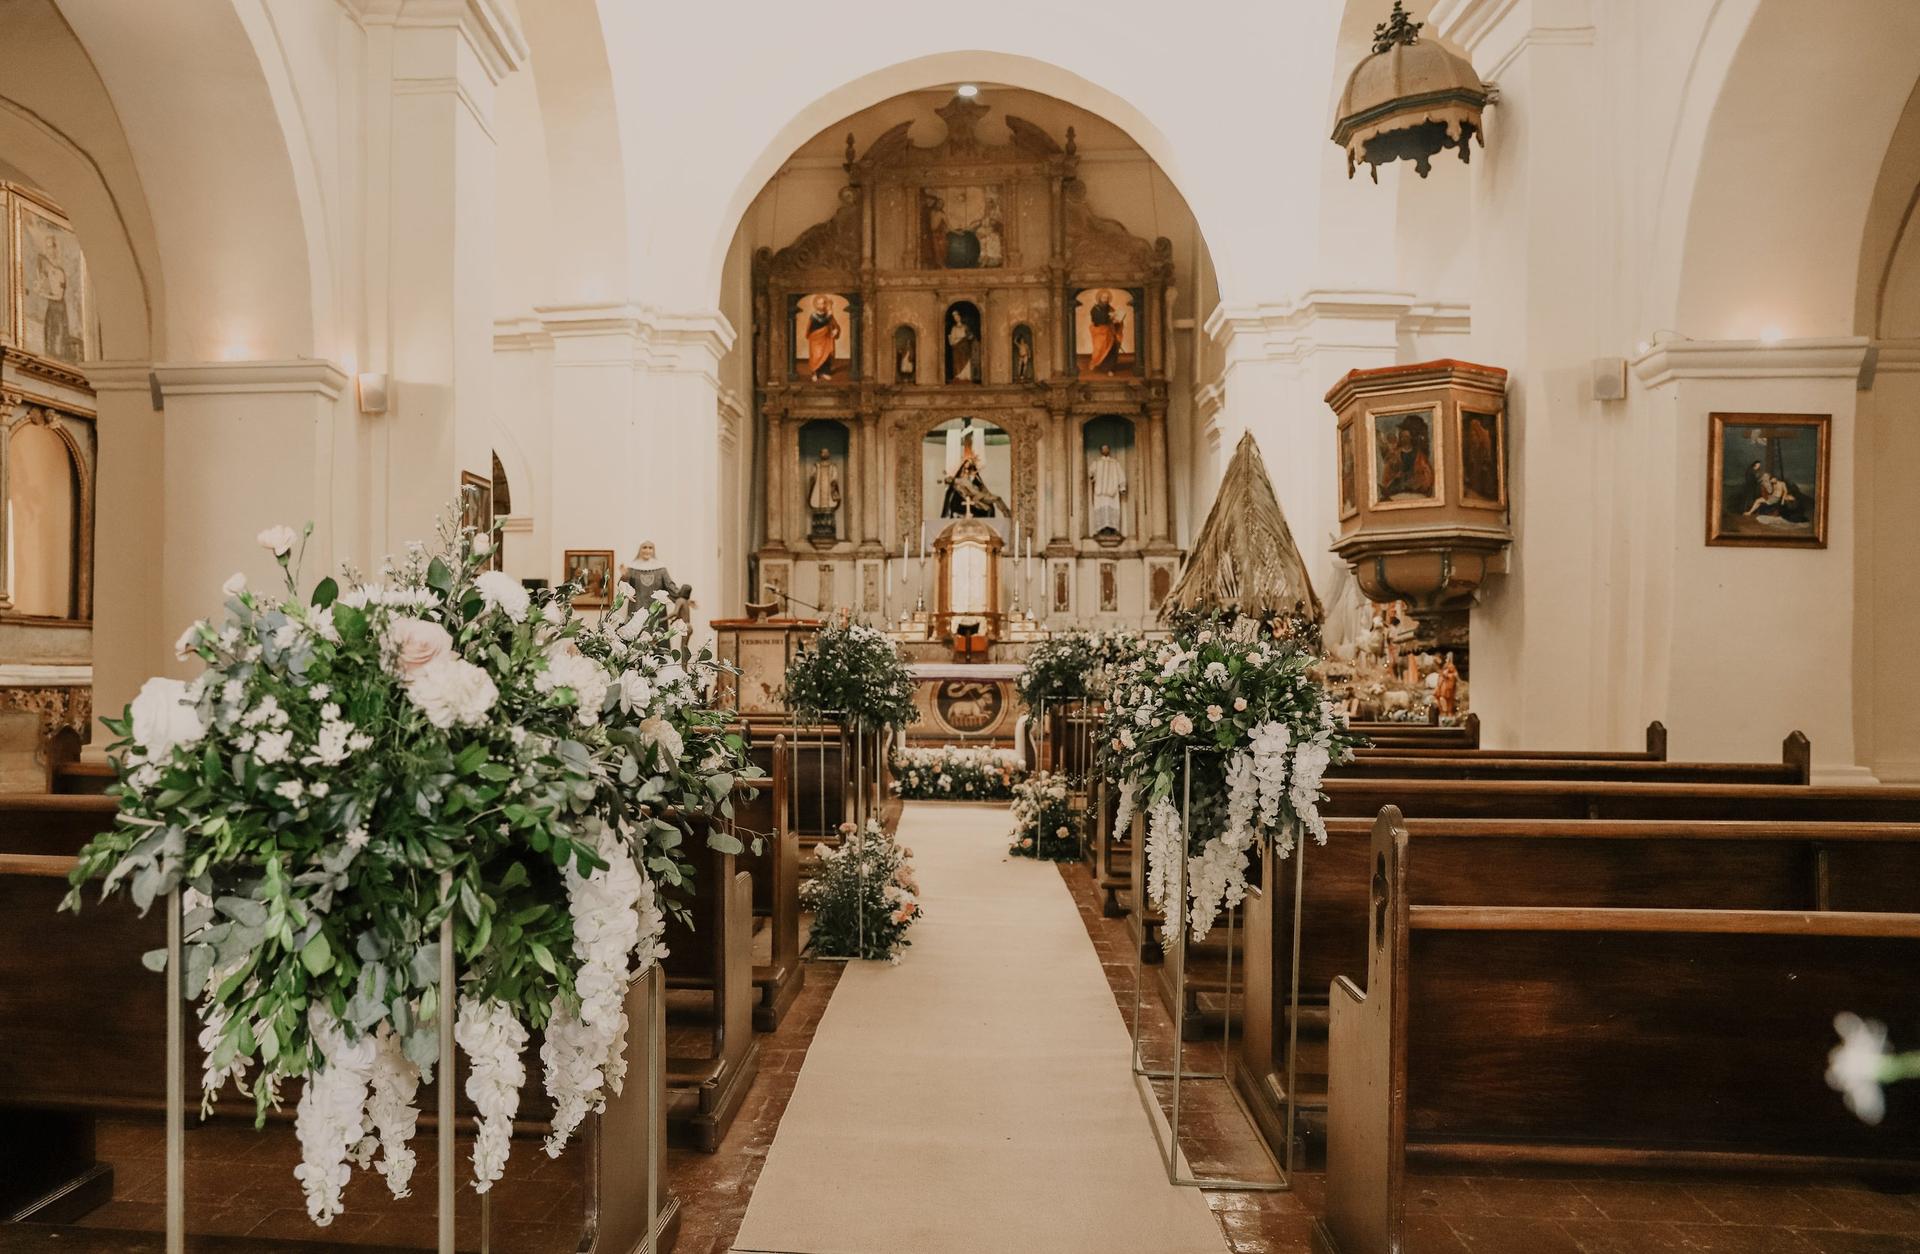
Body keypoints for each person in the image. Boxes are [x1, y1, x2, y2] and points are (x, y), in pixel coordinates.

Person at [622, 541, 691, 622]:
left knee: (656, 632)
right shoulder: (632, 568)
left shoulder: (661, 568)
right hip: (637, 607)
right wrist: (624, 576)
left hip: (657, 609)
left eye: (650, 548)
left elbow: (670, 586)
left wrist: (683, 597)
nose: (647, 550)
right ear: (640, 550)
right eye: (644, 547)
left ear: (653, 550)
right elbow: (625, 588)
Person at [940, 433, 1005, 517]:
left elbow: (983, 491)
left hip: (976, 500)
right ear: (962, 470)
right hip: (962, 504)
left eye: (970, 469)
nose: (967, 472)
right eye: (965, 470)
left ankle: (1006, 513)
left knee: (992, 504)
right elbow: (952, 489)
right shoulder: (958, 483)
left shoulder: (976, 480)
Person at [1088, 443, 1127, 536]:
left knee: (1111, 508)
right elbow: (1090, 472)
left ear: (1109, 450)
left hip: (1112, 492)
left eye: (1106, 449)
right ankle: (1101, 528)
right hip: (1100, 493)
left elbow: (1121, 475)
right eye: (1103, 449)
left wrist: (1122, 487)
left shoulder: (1115, 463)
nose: (1105, 451)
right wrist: (1092, 475)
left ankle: (1112, 528)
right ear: (1101, 451)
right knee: (1101, 509)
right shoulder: (1096, 462)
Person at [1087, 289, 1125, 373]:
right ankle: (1099, 365)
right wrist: (1109, 318)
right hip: (1100, 333)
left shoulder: (1111, 308)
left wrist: (1118, 321)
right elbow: (1097, 320)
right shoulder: (1095, 309)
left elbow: (1115, 319)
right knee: (1100, 349)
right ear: (1100, 298)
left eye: (1107, 298)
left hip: (1110, 333)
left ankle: (1110, 369)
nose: (1106, 299)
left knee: (1112, 349)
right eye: (1104, 297)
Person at [803, 295, 840, 381]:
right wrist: (829, 315)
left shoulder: (828, 314)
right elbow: (821, 322)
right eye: (819, 304)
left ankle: (824, 372)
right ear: (816, 304)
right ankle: (814, 373)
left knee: (826, 356)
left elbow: (835, 325)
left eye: (823, 303)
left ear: (825, 304)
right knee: (816, 355)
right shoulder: (813, 315)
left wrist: (836, 330)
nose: (821, 305)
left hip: (826, 338)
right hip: (815, 339)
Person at [807, 446, 841, 538]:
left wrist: (834, 483)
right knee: (818, 510)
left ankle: (829, 530)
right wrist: (813, 478)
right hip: (818, 490)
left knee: (829, 510)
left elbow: (835, 477)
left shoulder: (832, 466)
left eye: (826, 452)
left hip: (828, 490)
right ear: (820, 454)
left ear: (829, 454)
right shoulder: (816, 466)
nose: (825, 454)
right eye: (823, 452)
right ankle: (818, 530)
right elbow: (812, 477)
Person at [947, 309, 977, 382]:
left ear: (960, 317)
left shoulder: (965, 327)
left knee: (966, 362)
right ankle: (958, 377)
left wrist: (968, 337)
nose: (956, 318)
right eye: (954, 317)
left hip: (964, 347)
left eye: (957, 316)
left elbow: (970, 336)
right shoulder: (953, 328)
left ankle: (966, 377)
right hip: (956, 348)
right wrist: (952, 340)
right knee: (957, 362)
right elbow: (952, 338)